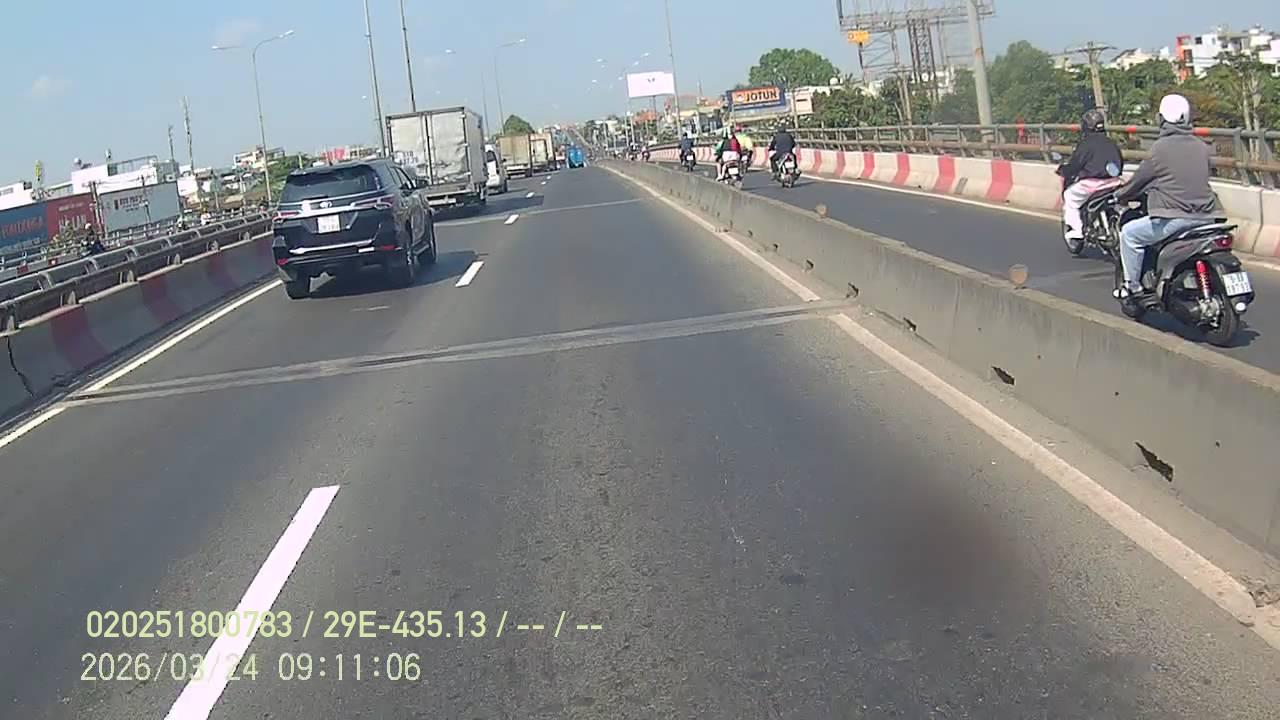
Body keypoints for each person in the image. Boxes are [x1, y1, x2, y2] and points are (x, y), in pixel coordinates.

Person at [1113, 94, 1221, 302]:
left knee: (1129, 234)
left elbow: (1139, 180)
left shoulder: (1159, 149)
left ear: (1160, 119)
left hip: (1174, 218)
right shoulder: (1201, 146)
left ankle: (1132, 287)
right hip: (1208, 216)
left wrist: (1120, 195)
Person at [1059, 109, 1124, 243]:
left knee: (1069, 197)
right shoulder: (1111, 143)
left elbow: (1075, 165)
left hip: (1091, 185)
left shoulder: (1085, 144)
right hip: (1114, 182)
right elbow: (1120, 163)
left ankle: (1077, 230)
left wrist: (1064, 170)